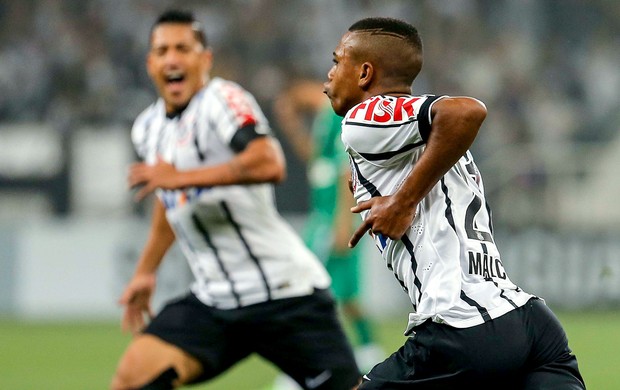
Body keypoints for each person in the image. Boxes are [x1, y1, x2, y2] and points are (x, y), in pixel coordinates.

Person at [323, 17, 586, 390]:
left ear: (365, 72)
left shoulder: (364, 118)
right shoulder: (437, 146)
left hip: (462, 327)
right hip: (530, 324)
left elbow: (467, 111)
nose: (328, 77)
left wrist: (402, 200)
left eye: (336, 62)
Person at [110, 9, 360, 390]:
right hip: (216, 301)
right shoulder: (147, 128)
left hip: (284, 294)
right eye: (162, 51)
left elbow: (269, 161)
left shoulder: (223, 100)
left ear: (204, 59)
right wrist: (147, 270)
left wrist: (181, 177)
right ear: (150, 63)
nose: (172, 58)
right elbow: (169, 198)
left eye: (183, 48)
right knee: (131, 378)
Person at [273, 80, 384, 372]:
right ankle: (369, 353)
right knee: (347, 297)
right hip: (325, 216)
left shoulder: (337, 115)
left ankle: (308, 365)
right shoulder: (323, 120)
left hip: (332, 219)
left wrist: (343, 221)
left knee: (308, 289)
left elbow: (345, 168)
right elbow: (317, 161)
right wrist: (293, 128)